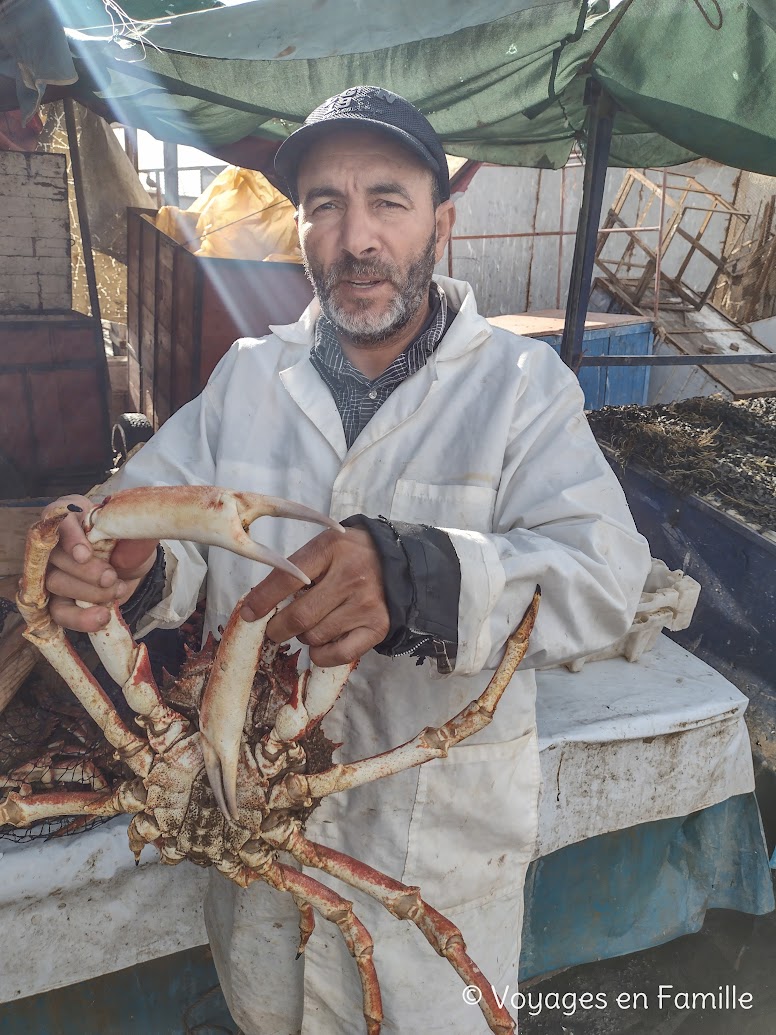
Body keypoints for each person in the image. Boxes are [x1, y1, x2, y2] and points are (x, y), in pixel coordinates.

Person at [43, 86, 651, 1034]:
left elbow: (607, 580)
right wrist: (126, 567)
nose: (355, 237)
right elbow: (154, 521)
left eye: (387, 201)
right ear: (300, 228)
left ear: (441, 223)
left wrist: (416, 576)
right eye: (324, 204)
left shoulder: (522, 387)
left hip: (431, 861)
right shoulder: (249, 375)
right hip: (254, 865)